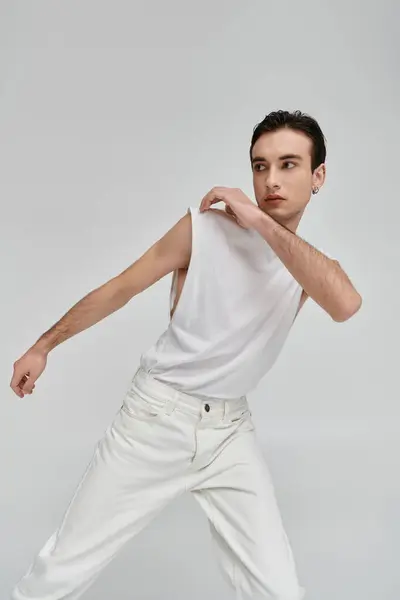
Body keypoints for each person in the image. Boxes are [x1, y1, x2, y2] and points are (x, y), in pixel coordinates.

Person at [9, 109, 362, 600]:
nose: (271, 180)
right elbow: (121, 288)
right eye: (260, 167)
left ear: (318, 176)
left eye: (288, 165)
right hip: (155, 418)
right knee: (61, 571)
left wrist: (259, 219)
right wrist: (43, 345)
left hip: (230, 432)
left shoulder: (307, 267)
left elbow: (346, 304)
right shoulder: (204, 230)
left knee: (278, 590)